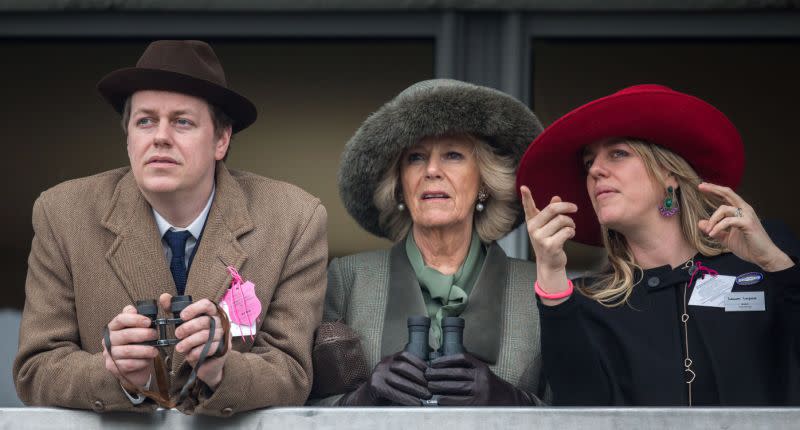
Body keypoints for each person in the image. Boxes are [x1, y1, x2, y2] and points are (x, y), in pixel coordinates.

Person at [13, 40, 327, 415]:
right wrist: (115, 372)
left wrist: (221, 369)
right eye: (145, 120)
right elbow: (35, 369)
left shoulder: (293, 218)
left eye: (182, 121)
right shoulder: (63, 214)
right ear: (128, 137)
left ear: (221, 139)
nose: (160, 136)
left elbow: (292, 372)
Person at [516, 84, 800, 406]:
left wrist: (775, 264)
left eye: (618, 154)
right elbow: (580, 412)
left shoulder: (765, 255)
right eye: (588, 163)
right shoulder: (589, 301)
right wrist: (552, 278)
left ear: (670, 174)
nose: (595, 170)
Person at [312, 79, 546, 406]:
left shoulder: (537, 286)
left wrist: (508, 399)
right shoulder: (348, 278)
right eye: (416, 158)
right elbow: (302, 406)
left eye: (452, 154)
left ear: (485, 183)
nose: (432, 170)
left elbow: (581, 412)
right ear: (399, 186)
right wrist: (362, 399)